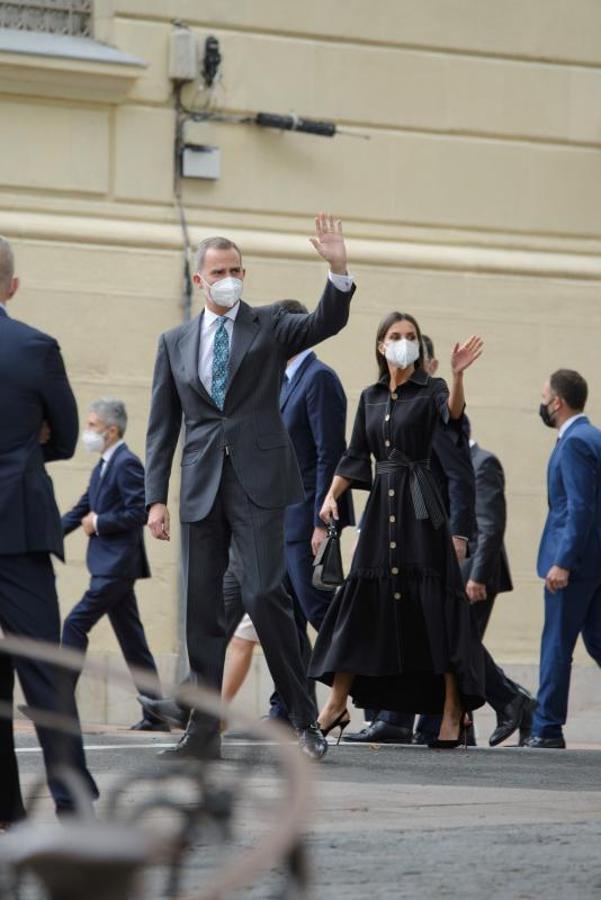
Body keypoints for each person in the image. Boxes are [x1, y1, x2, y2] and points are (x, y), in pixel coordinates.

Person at [144, 214, 355, 761]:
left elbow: (322, 324)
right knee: (203, 610)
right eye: (219, 271)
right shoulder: (174, 341)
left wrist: (337, 270)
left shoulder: (268, 326)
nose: (229, 278)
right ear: (200, 280)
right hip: (199, 487)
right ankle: (203, 730)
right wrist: (155, 498)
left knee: (264, 595)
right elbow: (162, 427)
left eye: (236, 269)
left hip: (258, 485)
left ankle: (304, 721)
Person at [310, 312, 486, 748]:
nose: (403, 342)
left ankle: (450, 710)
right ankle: (335, 705)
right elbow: (354, 455)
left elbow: (452, 416)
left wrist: (459, 376)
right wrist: (332, 496)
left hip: (422, 509)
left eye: (410, 336)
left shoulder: (433, 389)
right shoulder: (369, 396)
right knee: (361, 606)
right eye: (395, 336)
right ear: (380, 345)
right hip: (380, 508)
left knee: (433, 610)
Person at [0, 236, 98, 819]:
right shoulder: (36, 347)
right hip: (20, 528)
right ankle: (73, 803)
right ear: (12, 285)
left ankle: (6, 811)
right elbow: (63, 437)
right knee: (45, 676)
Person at [267, 298, 354, 721]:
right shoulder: (284, 380)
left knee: (321, 612)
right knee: (287, 619)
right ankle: (287, 706)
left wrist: (324, 521)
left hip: (308, 521)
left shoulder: (319, 379)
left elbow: (330, 454)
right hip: (284, 520)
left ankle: (377, 696)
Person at [61, 398, 167, 731]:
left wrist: (101, 522)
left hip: (116, 566)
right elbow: (80, 511)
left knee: (74, 624)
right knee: (133, 642)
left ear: (111, 430)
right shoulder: (103, 466)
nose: (87, 432)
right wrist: (43, 537)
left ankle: (59, 708)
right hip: (111, 567)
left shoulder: (126, 463)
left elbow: (139, 511)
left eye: (92, 426)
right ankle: (158, 714)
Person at [526, 369, 601, 749]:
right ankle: (546, 724)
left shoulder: (573, 442)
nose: (541, 403)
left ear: (557, 402)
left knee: (556, 645)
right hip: (596, 563)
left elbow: (579, 507)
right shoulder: (594, 437)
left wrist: (563, 561)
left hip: (573, 566)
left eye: (544, 396)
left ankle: (546, 728)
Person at [462, 420, 536, 746]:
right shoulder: (457, 467)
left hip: (479, 576)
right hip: (461, 575)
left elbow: (490, 527)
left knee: (463, 644)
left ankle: (511, 700)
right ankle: (463, 723)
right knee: (460, 647)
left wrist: (477, 576)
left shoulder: (483, 463)